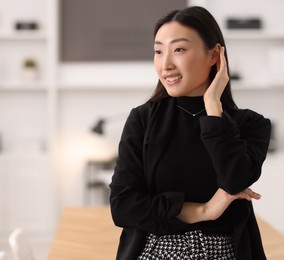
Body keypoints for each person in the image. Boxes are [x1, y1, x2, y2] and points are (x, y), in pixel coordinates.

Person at [109, 6, 272, 260]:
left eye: (179, 50)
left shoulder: (251, 124)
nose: (166, 64)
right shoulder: (142, 119)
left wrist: (213, 108)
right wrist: (204, 210)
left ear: (214, 55)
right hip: (156, 252)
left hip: (225, 253)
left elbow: (235, 179)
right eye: (158, 51)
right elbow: (123, 207)